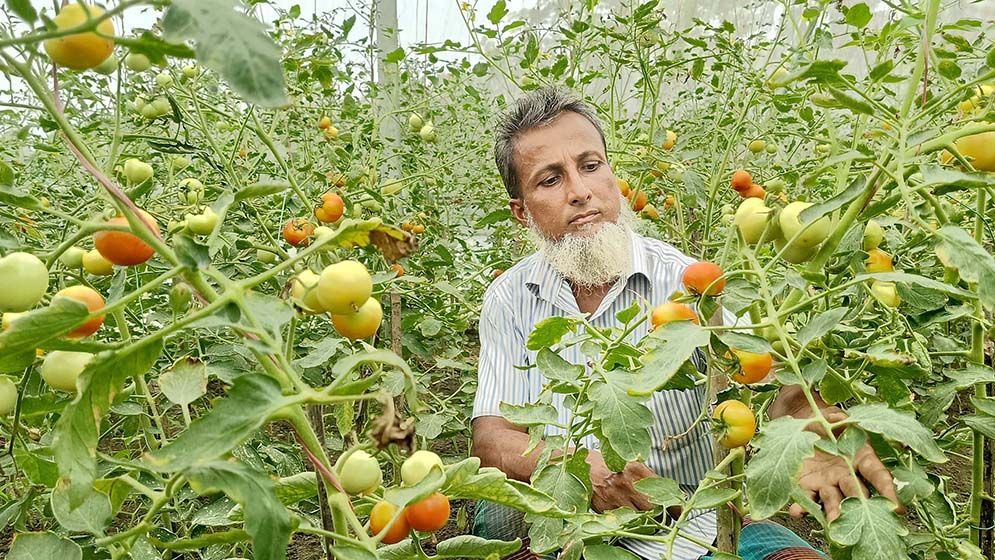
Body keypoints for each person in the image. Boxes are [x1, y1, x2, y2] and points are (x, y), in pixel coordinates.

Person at [469, 87, 902, 559]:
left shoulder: (693, 282)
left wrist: (808, 432)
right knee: (495, 518)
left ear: (612, 176)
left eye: (590, 166)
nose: (580, 191)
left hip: (697, 523)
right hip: (565, 518)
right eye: (550, 180)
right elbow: (491, 438)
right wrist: (577, 468)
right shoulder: (510, 297)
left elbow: (781, 390)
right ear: (521, 211)